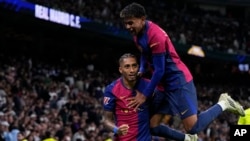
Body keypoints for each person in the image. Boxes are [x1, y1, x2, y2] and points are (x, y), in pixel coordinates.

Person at [119, 2, 245, 136]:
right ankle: (187, 139)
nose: (128, 27)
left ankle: (224, 103)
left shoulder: (156, 36)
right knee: (151, 126)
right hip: (163, 84)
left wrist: (144, 95)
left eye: (130, 23)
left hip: (177, 82)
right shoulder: (137, 33)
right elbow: (144, 52)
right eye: (126, 23)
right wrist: (142, 69)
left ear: (142, 19)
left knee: (193, 128)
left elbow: (160, 70)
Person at [102, 53, 197, 141]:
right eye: (127, 67)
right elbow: (106, 121)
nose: (131, 70)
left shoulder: (149, 86)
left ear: (138, 67)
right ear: (120, 69)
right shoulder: (111, 90)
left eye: (134, 66)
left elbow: (165, 97)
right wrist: (116, 129)